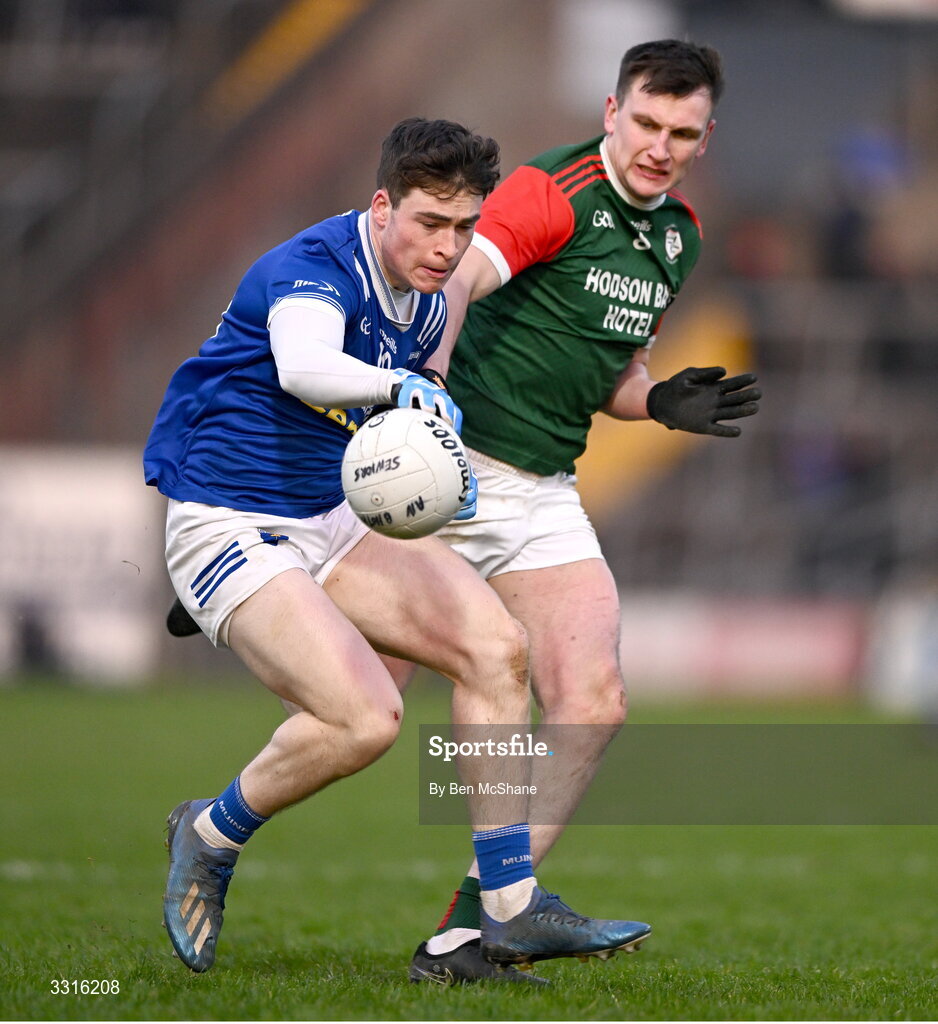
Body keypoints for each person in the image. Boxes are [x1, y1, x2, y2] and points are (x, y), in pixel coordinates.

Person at [144, 117, 650, 976]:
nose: (449, 247)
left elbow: (373, 439)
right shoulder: (314, 268)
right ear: (382, 207)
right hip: (227, 522)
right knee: (368, 719)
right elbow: (305, 367)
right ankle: (208, 832)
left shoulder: (421, 295)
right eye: (429, 222)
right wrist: (405, 385)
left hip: (329, 518)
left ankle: (509, 907)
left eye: (464, 227)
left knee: (497, 651)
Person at [403, 40, 762, 985]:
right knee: (350, 709)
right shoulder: (548, 189)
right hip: (450, 473)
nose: (659, 145)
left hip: (544, 490)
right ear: (612, 112)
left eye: (682, 133)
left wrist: (657, 399)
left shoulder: (677, 235)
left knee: (593, 701)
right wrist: (425, 400)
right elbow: (458, 284)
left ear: (704, 137)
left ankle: (477, 925)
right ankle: (214, 824)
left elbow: (617, 379)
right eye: (646, 123)